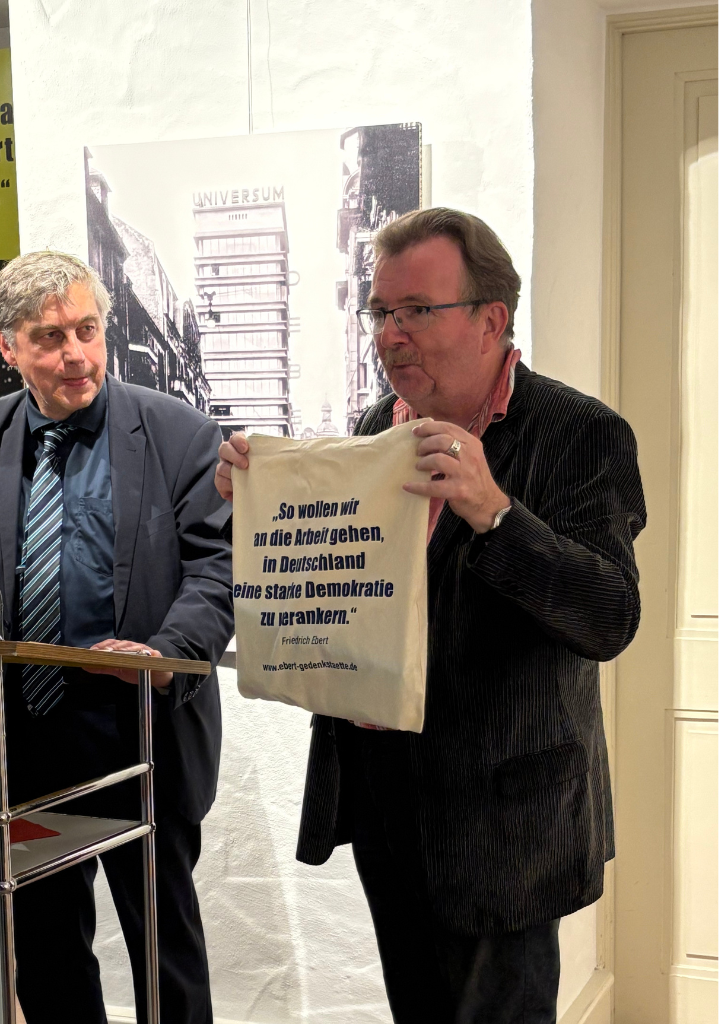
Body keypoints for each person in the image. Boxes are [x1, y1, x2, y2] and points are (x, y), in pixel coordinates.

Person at [214, 208, 646, 1024]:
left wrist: (495, 513)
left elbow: (609, 615)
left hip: (505, 819)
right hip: (387, 796)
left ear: (491, 318)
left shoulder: (580, 432)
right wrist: (265, 508)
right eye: (382, 311)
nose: (391, 334)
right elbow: (352, 589)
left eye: (417, 310)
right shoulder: (376, 428)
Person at [0, 251, 233, 1024]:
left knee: (164, 952)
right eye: (50, 338)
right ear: (8, 346)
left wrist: (166, 652)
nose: (76, 354)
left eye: (87, 330)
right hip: (28, 740)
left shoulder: (178, 433)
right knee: (45, 948)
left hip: (141, 735)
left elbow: (215, 568)